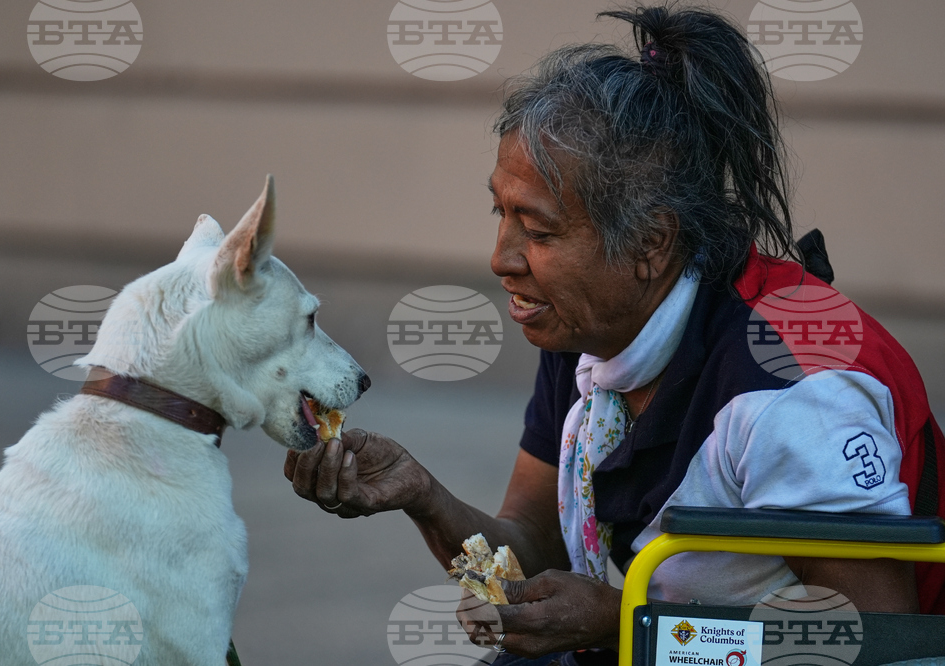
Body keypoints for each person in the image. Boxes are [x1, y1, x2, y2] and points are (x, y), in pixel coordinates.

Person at [285, 5, 945, 664]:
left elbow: (877, 643)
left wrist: (628, 624)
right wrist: (421, 495)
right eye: (501, 212)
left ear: (652, 245)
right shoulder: (588, 326)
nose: (501, 258)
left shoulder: (792, 392)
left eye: (538, 232)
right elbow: (530, 549)